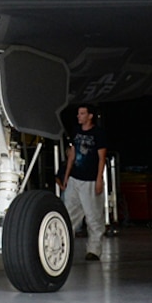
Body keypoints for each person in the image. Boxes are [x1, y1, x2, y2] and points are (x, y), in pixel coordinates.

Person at [57, 105, 107, 261]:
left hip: (90, 180)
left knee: (93, 215)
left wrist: (99, 178)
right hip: (75, 178)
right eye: (78, 113)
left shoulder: (98, 134)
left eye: (82, 113)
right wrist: (66, 175)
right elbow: (72, 155)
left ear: (90, 116)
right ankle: (63, 247)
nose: (79, 116)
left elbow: (101, 158)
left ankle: (94, 249)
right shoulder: (76, 131)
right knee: (69, 213)